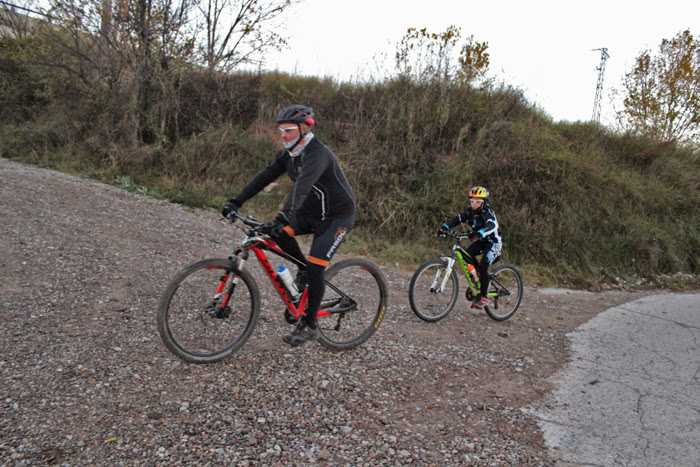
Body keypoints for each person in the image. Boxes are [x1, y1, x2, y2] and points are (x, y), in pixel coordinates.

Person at [221, 105, 356, 347]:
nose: (283, 135)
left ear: (304, 129)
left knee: (316, 265)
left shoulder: (318, 154)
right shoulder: (290, 154)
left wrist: (283, 216)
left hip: (336, 218)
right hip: (310, 214)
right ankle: (303, 269)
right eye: (281, 130)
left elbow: (302, 187)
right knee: (279, 235)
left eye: (289, 130)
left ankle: (310, 325)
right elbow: (264, 176)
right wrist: (235, 202)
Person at [438, 186, 502, 309]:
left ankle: (483, 296)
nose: (474, 204)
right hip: (481, 241)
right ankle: (478, 277)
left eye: (478, 201)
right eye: (472, 201)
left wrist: (480, 232)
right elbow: (458, 219)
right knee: (466, 255)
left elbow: (492, 225)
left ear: (484, 202)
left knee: (484, 264)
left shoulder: (487, 212)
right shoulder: (470, 212)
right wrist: (445, 227)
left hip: (493, 243)